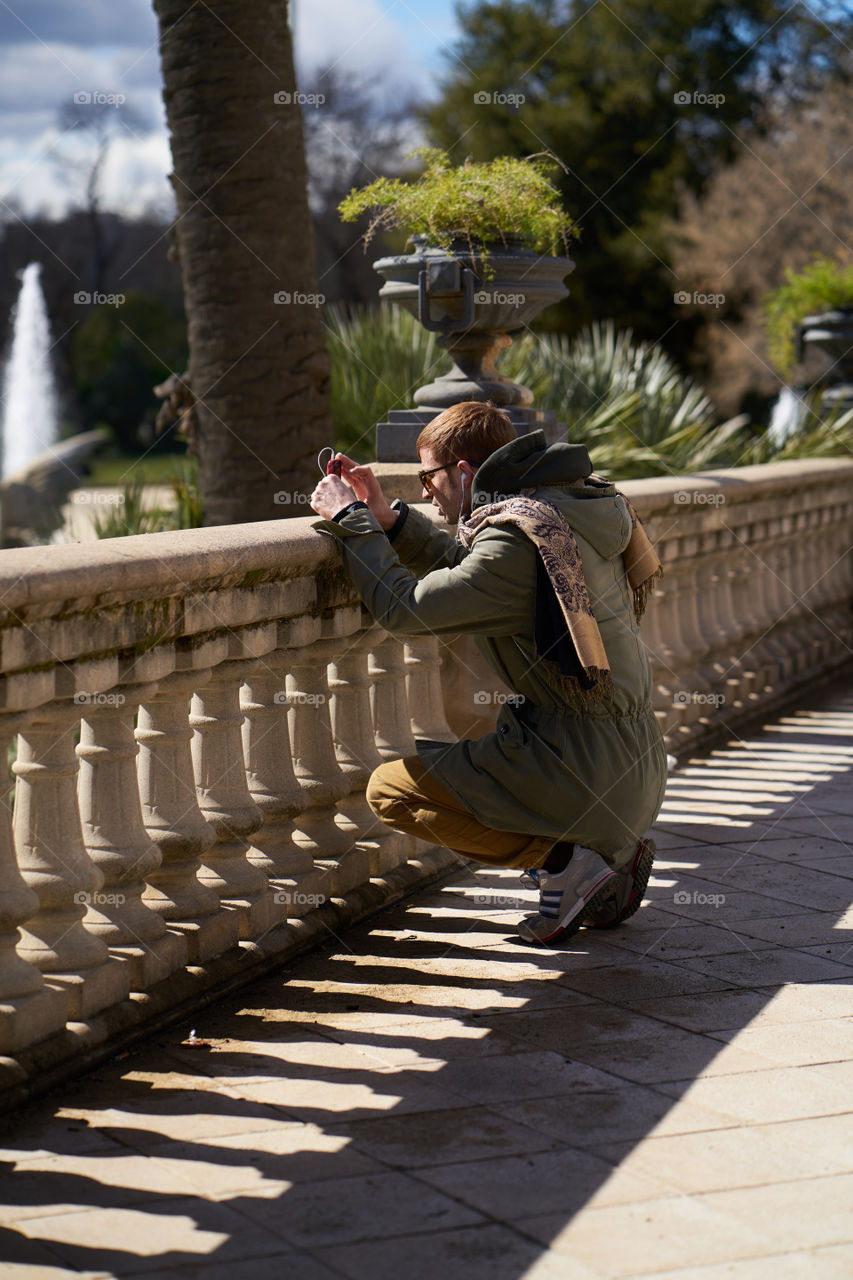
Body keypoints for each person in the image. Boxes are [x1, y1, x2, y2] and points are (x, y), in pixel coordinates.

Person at [310, 401, 668, 946]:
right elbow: (473, 574)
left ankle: (568, 862)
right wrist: (392, 520)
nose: (425, 490)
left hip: (585, 770)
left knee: (390, 791)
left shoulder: (516, 539)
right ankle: (603, 852)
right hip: (636, 764)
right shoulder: (567, 505)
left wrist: (351, 522)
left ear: (462, 472)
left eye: (426, 476)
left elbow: (407, 610)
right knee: (459, 750)